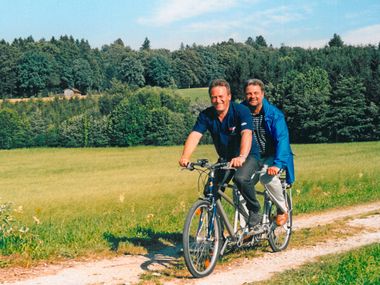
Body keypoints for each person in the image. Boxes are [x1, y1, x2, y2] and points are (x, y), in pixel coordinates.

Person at [179, 79, 262, 229]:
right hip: (225, 158)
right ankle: (218, 236)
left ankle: (254, 209)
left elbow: (246, 134)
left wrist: (242, 156)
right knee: (211, 191)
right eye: (214, 97)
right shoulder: (206, 115)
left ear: (229, 96)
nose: (218, 100)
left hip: (249, 155)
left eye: (221, 96)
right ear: (211, 98)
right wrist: (185, 157)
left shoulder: (240, 111)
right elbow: (195, 135)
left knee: (240, 178)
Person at [241, 78, 295, 226]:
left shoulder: (274, 114)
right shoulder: (241, 112)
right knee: (240, 188)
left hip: (272, 155)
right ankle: (249, 225)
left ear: (263, 94)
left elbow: (282, 140)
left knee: (266, 178)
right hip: (252, 157)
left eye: (256, 93)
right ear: (245, 95)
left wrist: (277, 164)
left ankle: (282, 209)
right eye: (249, 93)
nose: (253, 96)